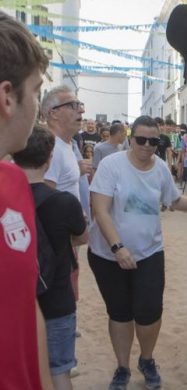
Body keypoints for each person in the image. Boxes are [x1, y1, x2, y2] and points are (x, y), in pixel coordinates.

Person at [87, 115, 187, 390]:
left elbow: (175, 200)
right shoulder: (111, 165)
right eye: (141, 139)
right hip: (108, 255)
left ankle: (147, 359)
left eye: (153, 141)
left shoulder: (161, 169)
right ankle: (122, 367)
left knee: (149, 311)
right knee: (119, 313)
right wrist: (118, 247)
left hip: (149, 253)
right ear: (131, 139)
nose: (146, 145)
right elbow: (101, 210)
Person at [13, 126, 88, 390]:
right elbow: (82, 237)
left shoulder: (7, 199)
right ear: (48, 159)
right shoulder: (65, 202)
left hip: (18, 303)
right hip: (57, 297)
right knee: (59, 371)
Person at [0, 11, 53, 390]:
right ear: (7, 97)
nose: (37, 107)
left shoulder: (16, 183)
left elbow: (27, 301)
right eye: (36, 91)